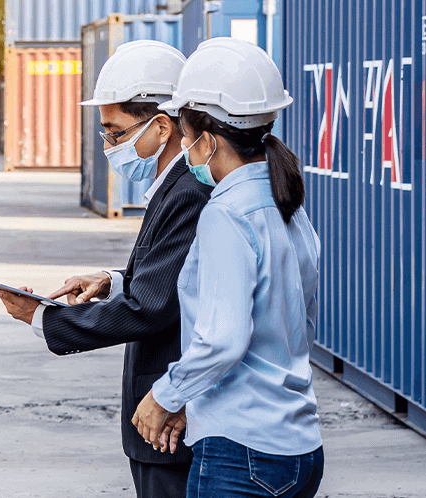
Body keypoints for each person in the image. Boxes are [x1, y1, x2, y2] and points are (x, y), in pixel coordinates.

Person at [0, 40, 211, 497]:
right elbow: (169, 278)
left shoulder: (189, 190)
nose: (110, 146)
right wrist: (111, 280)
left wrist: (44, 318)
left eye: (115, 133)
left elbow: (150, 308)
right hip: (163, 421)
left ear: (161, 126)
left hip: (171, 421)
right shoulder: (170, 184)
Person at [132, 38, 323, 497]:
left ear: (208, 140)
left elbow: (223, 338)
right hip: (299, 448)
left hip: (242, 454)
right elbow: (296, 323)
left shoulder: (225, 214)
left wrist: (166, 395)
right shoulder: (287, 204)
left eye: (185, 135)